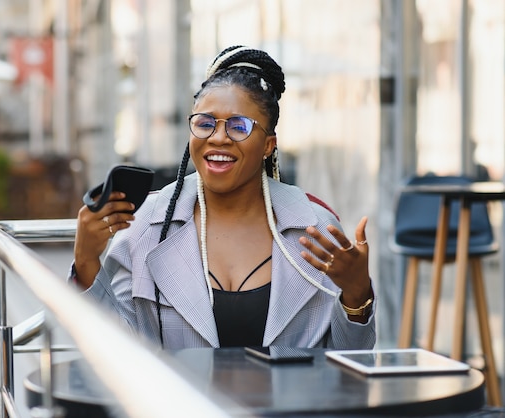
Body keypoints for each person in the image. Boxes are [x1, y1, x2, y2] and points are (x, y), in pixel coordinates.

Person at [71, 45, 376, 350]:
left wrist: (357, 295)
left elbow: (347, 368)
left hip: (295, 399)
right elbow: (114, 353)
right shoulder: (146, 226)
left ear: (269, 145)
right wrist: (86, 263)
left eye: (238, 126)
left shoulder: (316, 230)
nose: (218, 137)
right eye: (205, 123)